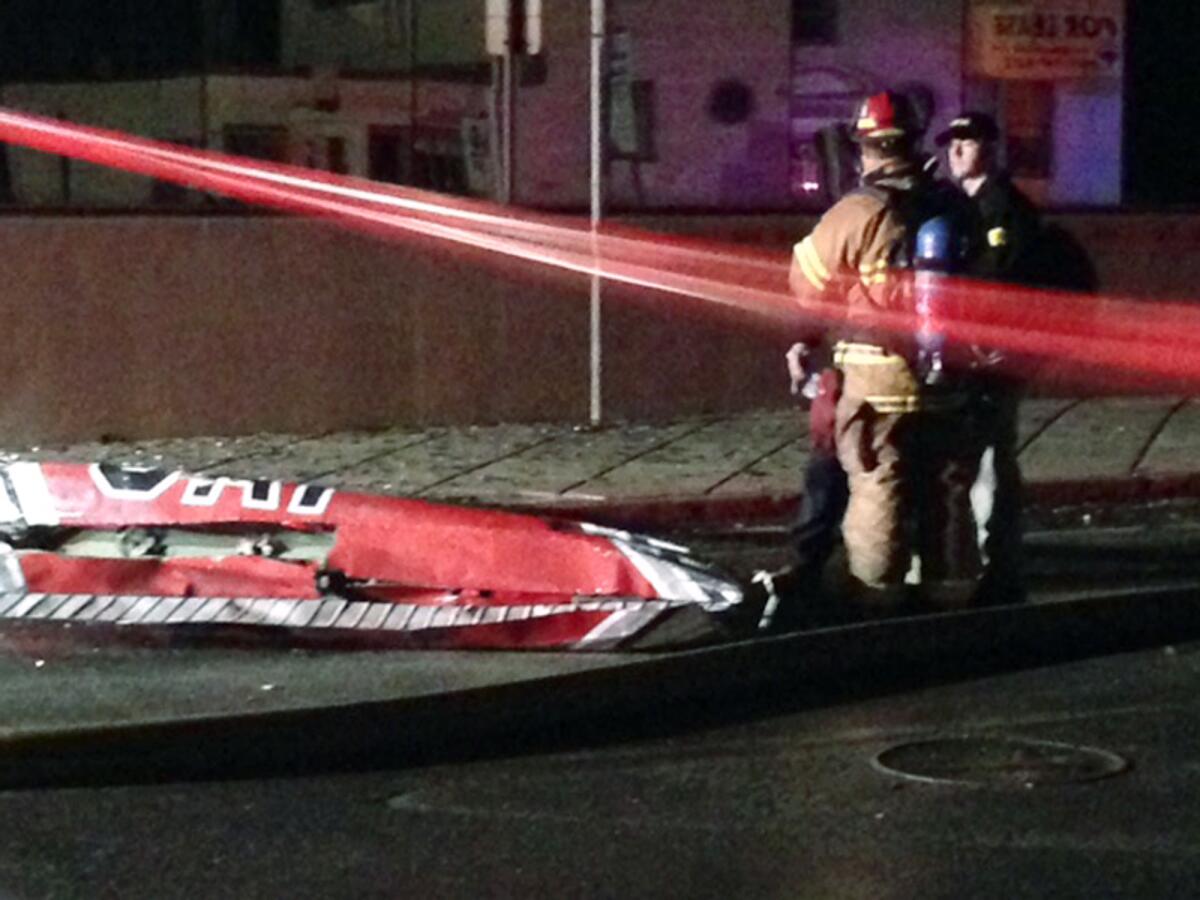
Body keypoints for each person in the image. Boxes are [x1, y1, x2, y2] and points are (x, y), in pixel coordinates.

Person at [787, 90, 983, 614]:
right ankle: (953, 587)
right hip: (950, 379)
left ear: (866, 149)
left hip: (878, 383)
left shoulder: (856, 212)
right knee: (948, 486)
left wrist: (803, 343)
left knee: (879, 484)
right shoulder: (955, 207)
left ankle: (878, 592)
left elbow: (806, 286)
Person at [935, 112, 1042, 605]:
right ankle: (978, 565)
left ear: (991, 148)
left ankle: (998, 570)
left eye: (967, 141)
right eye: (951, 141)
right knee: (975, 461)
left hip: (993, 356)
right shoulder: (962, 204)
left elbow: (1003, 283)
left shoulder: (1002, 209)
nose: (955, 150)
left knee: (991, 460)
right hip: (970, 353)